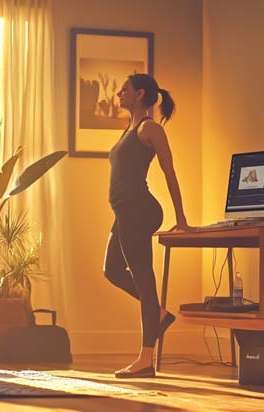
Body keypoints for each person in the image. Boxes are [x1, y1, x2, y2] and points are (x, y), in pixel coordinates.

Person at [103, 74, 194, 379]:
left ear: (140, 93)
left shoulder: (150, 128)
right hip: (125, 212)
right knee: (112, 270)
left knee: (144, 279)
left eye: (124, 89)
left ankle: (145, 359)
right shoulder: (128, 128)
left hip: (139, 210)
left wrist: (181, 220)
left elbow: (170, 173)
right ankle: (159, 314)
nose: (119, 93)